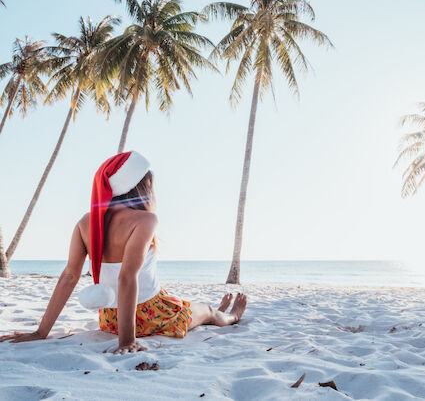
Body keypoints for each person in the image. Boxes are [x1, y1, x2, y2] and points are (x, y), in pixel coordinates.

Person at [0, 151, 247, 354]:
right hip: (150, 315)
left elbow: (69, 277)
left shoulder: (86, 222)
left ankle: (215, 312)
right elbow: (126, 278)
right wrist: (127, 341)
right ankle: (231, 317)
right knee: (206, 309)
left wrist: (41, 332)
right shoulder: (145, 220)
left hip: (110, 319)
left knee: (182, 302)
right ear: (141, 188)